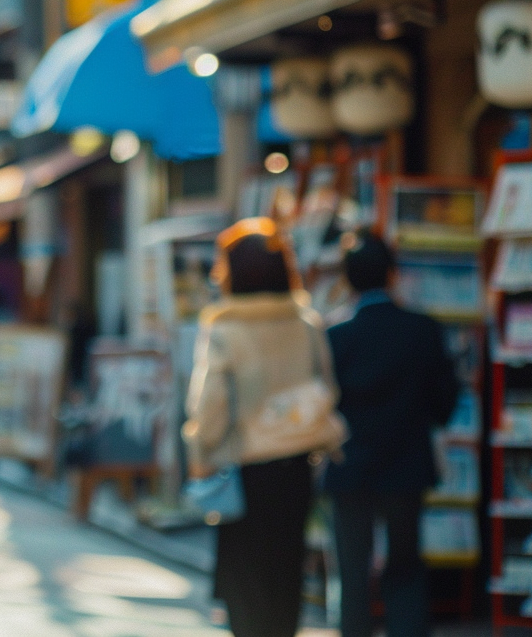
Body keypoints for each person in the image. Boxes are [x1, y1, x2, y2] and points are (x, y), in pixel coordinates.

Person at [184, 217, 339, 637]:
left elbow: (210, 406)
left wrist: (200, 453)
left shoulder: (225, 327)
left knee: (243, 580)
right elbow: (326, 387)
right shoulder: (305, 323)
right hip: (297, 469)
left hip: (244, 470)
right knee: (286, 575)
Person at [326, 231, 459, 637]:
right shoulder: (422, 330)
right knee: (405, 564)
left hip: (350, 466)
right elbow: (444, 402)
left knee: (352, 568)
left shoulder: (336, 336)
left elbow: (323, 403)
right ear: (392, 274)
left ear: (347, 280)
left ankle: (355, 631)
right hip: (406, 463)